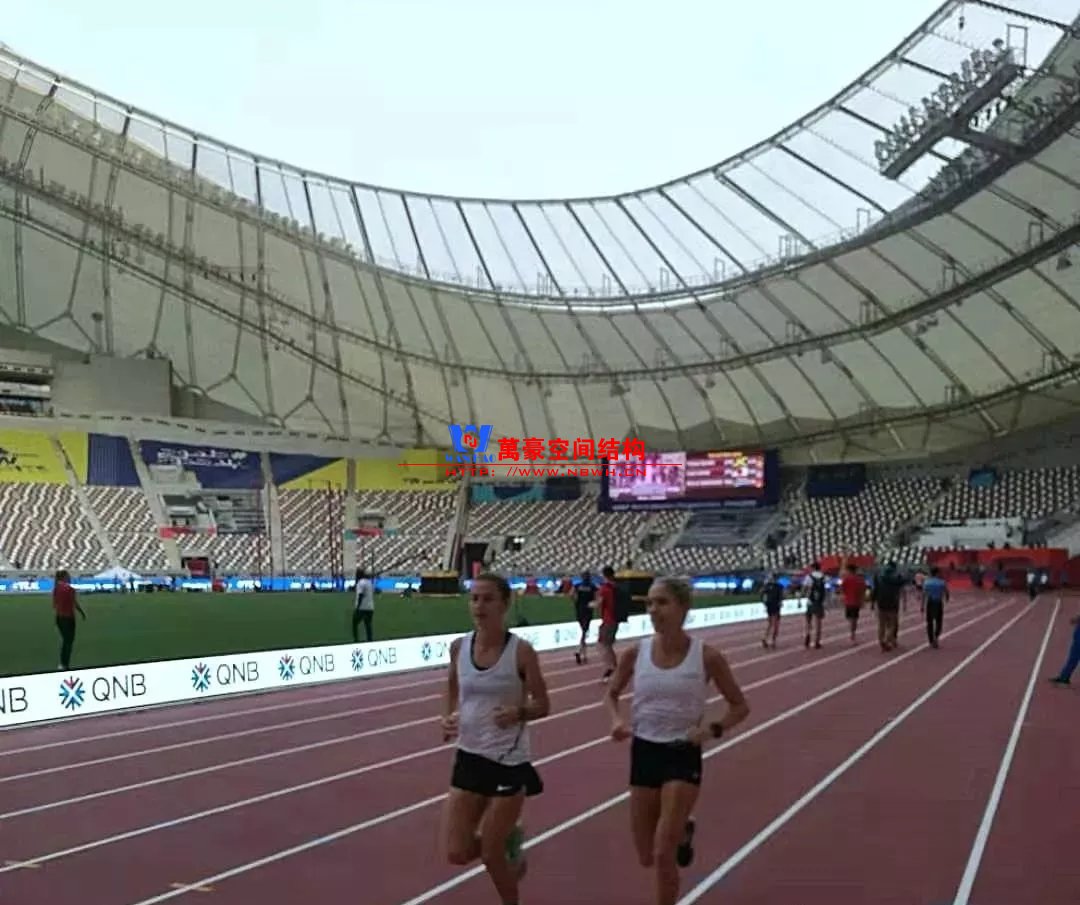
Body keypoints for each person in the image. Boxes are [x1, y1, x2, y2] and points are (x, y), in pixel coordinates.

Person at [605, 577, 750, 905]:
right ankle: (685, 829)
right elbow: (611, 694)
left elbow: (740, 706)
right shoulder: (635, 653)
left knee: (662, 853)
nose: (653, 610)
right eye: (650, 603)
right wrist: (615, 720)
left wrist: (712, 729)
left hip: (682, 752)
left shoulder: (707, 657)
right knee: (645, 854)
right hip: (644, 751)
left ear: (683, 608)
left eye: (662, 602)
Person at [439, 572, 550, 905]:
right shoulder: (459, 647)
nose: (479, 605)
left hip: (508, 762)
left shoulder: (521, 652)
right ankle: (510, 841)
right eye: (474, 598)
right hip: (469, 756)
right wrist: (448, 716)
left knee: (490, 852)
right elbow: (452, 686)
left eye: (488, 599)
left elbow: (543, 705)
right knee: (457, 852)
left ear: (504, 604)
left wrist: (519, 712)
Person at [53, 569, 86, 670]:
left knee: (65, 641)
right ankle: (65, 664)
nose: (70, 577)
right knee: (68, 642)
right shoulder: (69, 589)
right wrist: (82, 612)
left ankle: (63, 663)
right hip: (68, 618)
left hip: (59, 617)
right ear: (64, 577)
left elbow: (55, 604)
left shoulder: (56, 588)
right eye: (68, 576)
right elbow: (74, 603)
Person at [872, 561, 904, 652]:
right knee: (892, 625)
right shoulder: (896, 578)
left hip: (881, 603)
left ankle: (881, 640)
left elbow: (875, 590)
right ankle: (886, 640)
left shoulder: (878, 577)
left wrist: (872, 602)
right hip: (892, 603)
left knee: (881, 624)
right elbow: (904, 581)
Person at [597, 565, 620, 682]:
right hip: (615, 619)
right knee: (607, 645)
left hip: (608, 620)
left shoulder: (605, 588)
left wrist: (591, 605)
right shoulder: (616, 587)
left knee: (603, 645)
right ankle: (614, 667)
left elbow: (599, 603)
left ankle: (611, 668)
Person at [572, 570, 598, 665]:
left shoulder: (577, 586)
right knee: (584, 631)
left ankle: (584, 655)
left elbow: (571, 594)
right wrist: (593, 604)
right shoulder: (592, 586)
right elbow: (596, 598)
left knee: (584, 631)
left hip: (579, 610)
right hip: (587, 611)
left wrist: (576, 602)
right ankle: (579, 651)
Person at [839, 563, 868, 644]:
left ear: (849, 571)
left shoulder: (846, 579)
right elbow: (863, 590)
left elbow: (841, 590)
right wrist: (862, 600)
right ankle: (852, 634)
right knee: (854, 619)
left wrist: (842, 597)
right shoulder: (860, 580)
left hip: (848, 602)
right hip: (856, 602)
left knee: (850, 618)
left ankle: (852, 634)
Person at [802, 562, 828, 649]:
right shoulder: (823, 577)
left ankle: (808, 633)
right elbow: (825, 589)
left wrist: (804, 594)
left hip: (810, 601)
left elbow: (804, 588)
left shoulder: (809, 577)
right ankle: (817, 640)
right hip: (819, 602)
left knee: (808, 620)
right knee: (818, 622)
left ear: (813, 568)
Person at [921, 566, 949, 648]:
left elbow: (924, 594)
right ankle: (936, 636)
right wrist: (946, 598)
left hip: (930, 602)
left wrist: (922, 606)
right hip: (938, 602)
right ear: (937, 573)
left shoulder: (927, 582)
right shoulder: (941, 582)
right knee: (939, 621)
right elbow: (946, 592)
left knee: (929, 622)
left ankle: (931, 639)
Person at [760, 572, 783, 649]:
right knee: (776, 624)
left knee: (770, 623)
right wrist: (780, 602)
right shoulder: (779, 586)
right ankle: (773, 641)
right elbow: (781, 597)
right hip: (775, 606)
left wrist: (764, 602)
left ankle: (765, 637)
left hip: (769, 605)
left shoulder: (767, 586)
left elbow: (762, 594)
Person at [351, 568, 375, 643]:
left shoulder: (360, 583)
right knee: (368, 625)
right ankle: (369, 640)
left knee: (354, 623)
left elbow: (360, 595)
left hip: (362, 608)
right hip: (370, 607)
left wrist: (357, 607)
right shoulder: (369, 582)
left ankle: (356, 640)